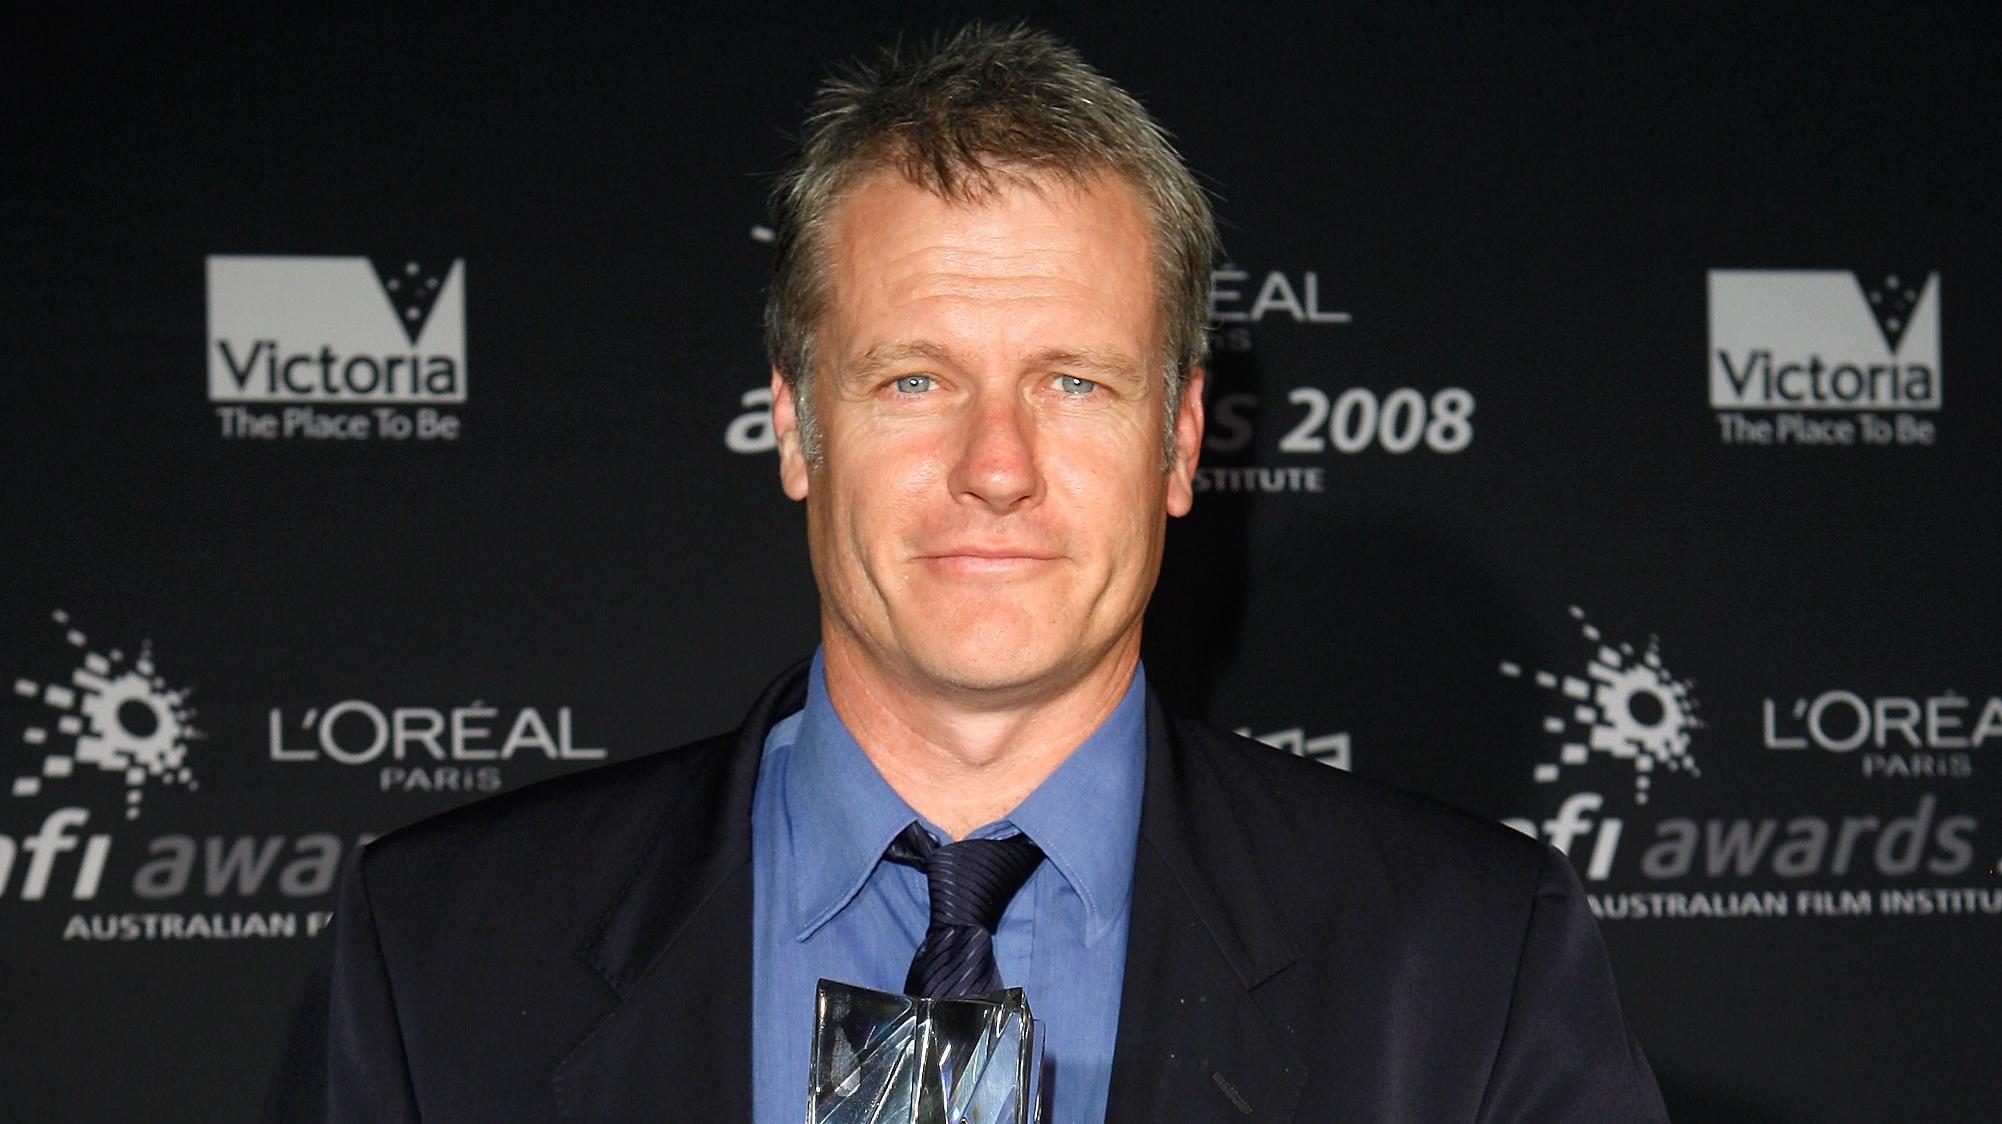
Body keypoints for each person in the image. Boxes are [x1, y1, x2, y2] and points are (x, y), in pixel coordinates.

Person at [266, 24, 1668, 1123]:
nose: (994, 462)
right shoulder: (440, 950)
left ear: (1179, 441)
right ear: (796, 425)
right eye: (914, 376)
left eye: (1070, 381)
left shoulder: (1467, 962)